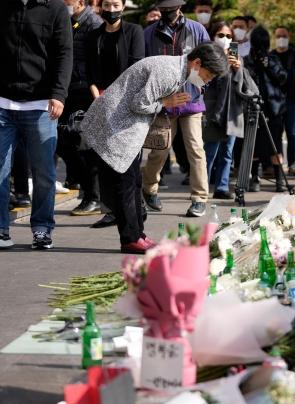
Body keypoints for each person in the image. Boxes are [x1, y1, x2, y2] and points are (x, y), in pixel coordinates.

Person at [82, 44, 228, 253]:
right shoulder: (168, 72)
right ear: (197, 63)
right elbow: (139, 104)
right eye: (208, 75)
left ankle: (138, 234)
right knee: (125, 183)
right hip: (116, 126)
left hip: (125, 126)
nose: (207, 80)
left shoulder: (178, 70)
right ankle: (130, 239)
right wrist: (165, 103)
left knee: (134, 181)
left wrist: (165, 102)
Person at [0, 0, 73, 250]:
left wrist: (59, 94)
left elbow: (64, 53)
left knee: (43, 173)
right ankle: (1, 229)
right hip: (3, 104)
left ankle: (42, 228)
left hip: (42, 105)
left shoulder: (56, 9)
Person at [141, 0, 211, 218]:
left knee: (196, 149)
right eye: (163, 8)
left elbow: (209, 60)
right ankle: (148, 189)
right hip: (164, 103)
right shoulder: (149, 33)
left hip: (191, 101)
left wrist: (199, 86)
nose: (167, 12)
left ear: (180, 7)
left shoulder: (197, 30)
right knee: (159, 151)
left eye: (170, 8)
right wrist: (160, 97)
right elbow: (144, 67)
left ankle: (199, 198)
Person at [86, 0, 145, 229]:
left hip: (127, 103)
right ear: (100, 7)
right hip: (101, 102)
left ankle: (136, 208)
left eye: (116, 4)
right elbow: (90, 72)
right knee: (104, 160)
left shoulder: (134, 32)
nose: (111, 10)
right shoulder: (94, 35)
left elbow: (137, 67)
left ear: (123, 6)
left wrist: (117, 100)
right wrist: (98, 98)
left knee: (129, 161)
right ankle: (111, 210)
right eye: (107, 5)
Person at [58, 0, 103, 217]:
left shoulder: (93, 24)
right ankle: (88, 191)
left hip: (86, 91)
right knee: (64, 141)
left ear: (81, 2)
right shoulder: (68, 21)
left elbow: (98, 60)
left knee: (85, 145)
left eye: (67, 1)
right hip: (68, 90)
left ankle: (93, 196)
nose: (63, 4)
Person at [202, 21, 250, 200]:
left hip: (232, 110)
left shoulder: (236, 56)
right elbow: (203, 81)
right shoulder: (208, 54)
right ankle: (202, 187)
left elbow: (242, 84)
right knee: (209, 151)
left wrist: (237, 69)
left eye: (229, 36)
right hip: (213, 109)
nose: (225, 39)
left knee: (227, 152)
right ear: (213, 36)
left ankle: (222, 187)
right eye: (221, 35)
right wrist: (221, 66)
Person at [243, 26, 288, 193]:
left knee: (276, 144)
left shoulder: (273, 59)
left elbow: (283, 78)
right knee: (254, 144)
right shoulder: (247, 60)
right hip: (253, 106)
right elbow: (244, 81)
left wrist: (268, 66)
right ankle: (255, 177)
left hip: (273, 108)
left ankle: (279, 178)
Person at [271, 26, 295, 176]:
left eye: (284, 36)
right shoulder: (271, 55)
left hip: (291, 99)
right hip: (274, 100)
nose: (281, 39)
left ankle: (292, 164)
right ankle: (277, 164)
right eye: (278, 36)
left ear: (289, 36)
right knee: (276, 133)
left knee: (291, 133)